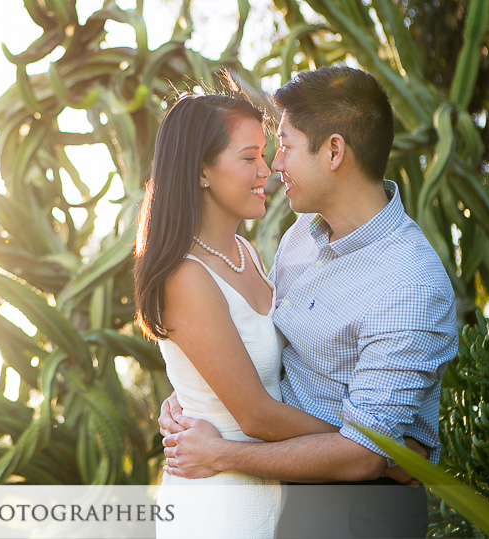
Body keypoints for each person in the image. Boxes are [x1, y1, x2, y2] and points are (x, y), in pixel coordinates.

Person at [159, 66, 458, 538]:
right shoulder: (302, 236)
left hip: (354, 512)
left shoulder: (409, 286)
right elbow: (258, 344)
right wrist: (198, 388)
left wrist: (223, 453)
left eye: (286, 146)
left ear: (334, 151)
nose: (275, 165)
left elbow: (362, 458)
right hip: (279, 493)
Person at [134, 91, 347, 538]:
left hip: (268, 491)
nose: (266, 171)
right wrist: (363, 443)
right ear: (201, 171)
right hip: (219, 510)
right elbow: (256, 416)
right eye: (250, 157)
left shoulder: (243, 253)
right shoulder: (185, 277)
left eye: (265, 156)